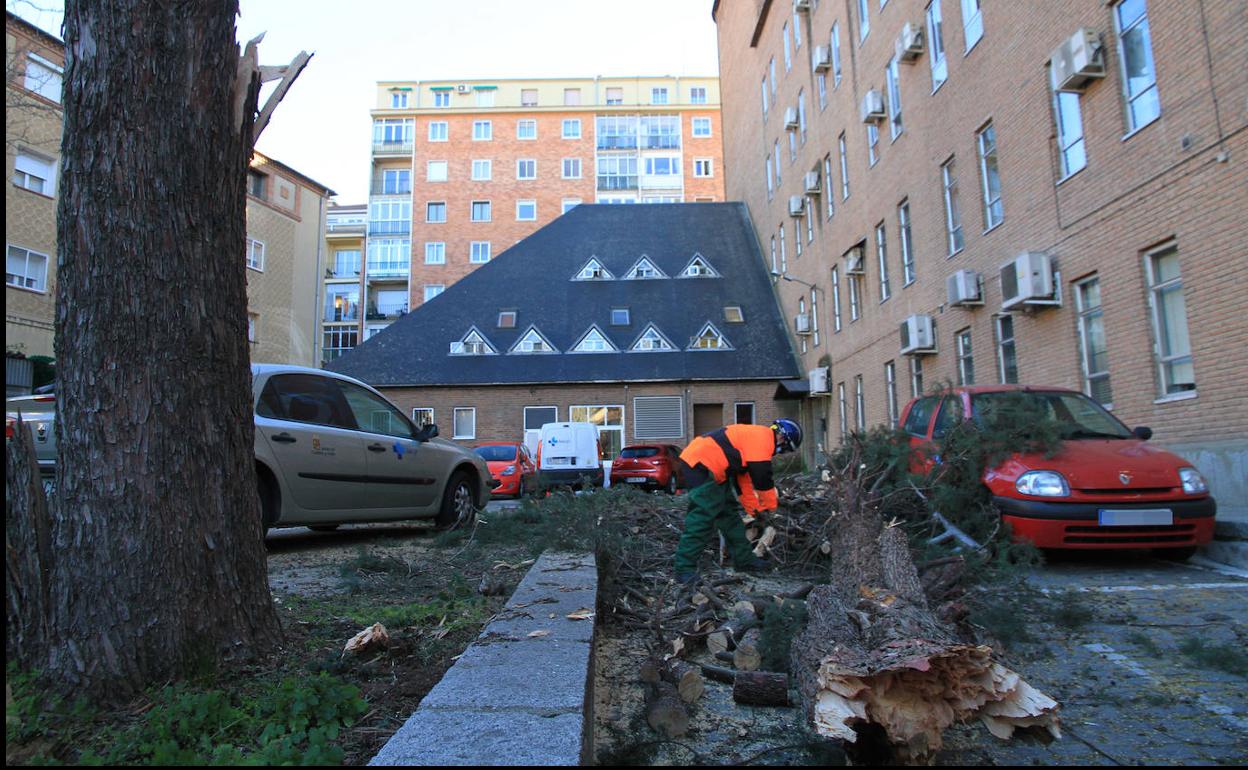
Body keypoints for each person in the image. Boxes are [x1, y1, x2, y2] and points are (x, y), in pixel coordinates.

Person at [673, 418, 803, 584]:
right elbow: (763, 479)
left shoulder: (753, 443)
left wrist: (756, 511)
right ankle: (684, 569)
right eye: (784, 450)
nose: (779, 453)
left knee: (729, 516)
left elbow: (744, 483)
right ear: (784, 439)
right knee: (702, 519)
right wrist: (771, 508)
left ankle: (744, 560)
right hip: (701, 465)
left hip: (715, 468)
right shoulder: (763, 440)